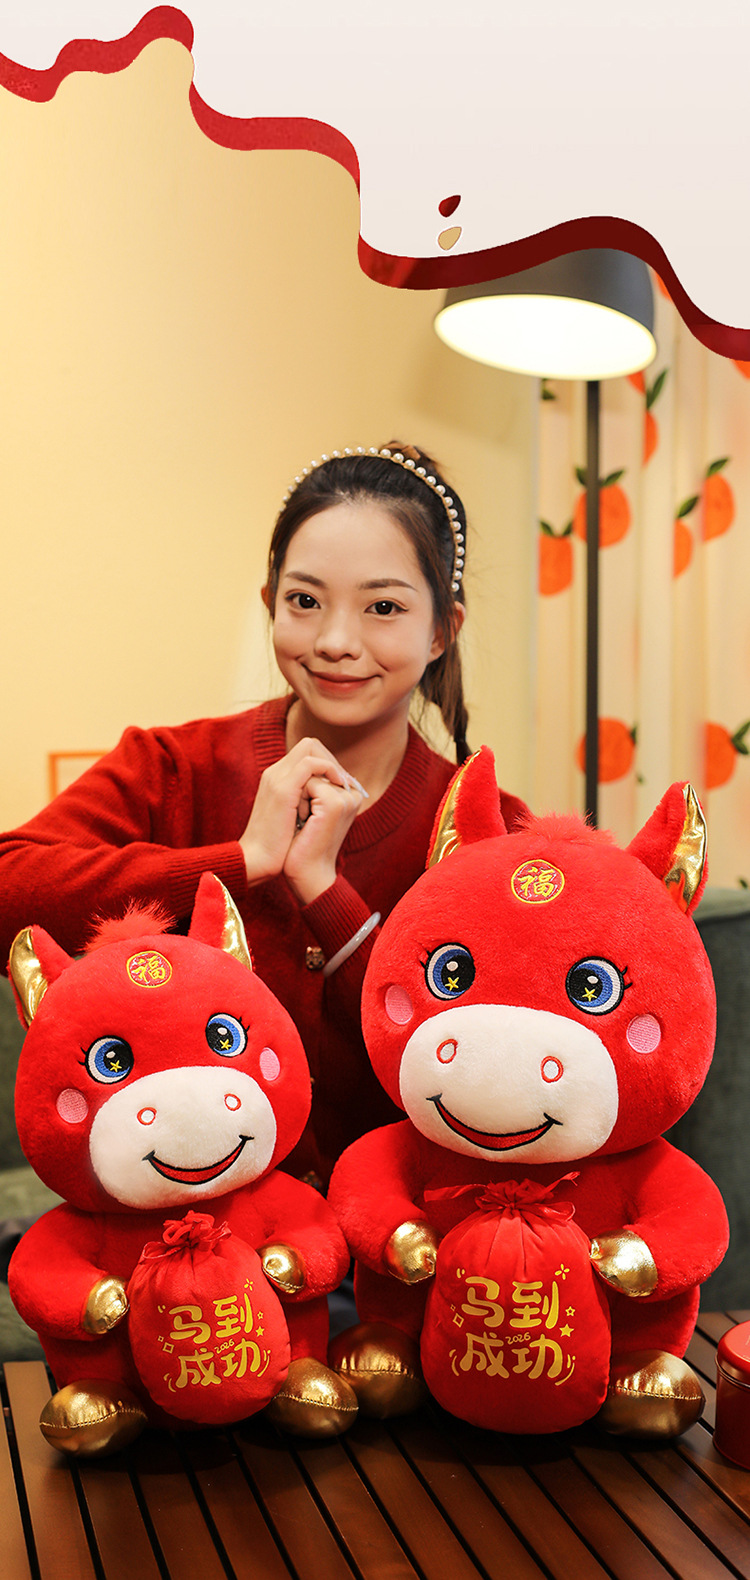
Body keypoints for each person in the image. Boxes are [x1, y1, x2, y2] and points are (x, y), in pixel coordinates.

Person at [0, 443, 526, 1185]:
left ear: (442, 629)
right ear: (269, 602)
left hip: (402, 1230)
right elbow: (11, 890)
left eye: (383, 608)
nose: (335, 642)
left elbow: (497, 1068)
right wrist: (240, 863)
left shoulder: (484, 827)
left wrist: (327, 896)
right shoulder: (173, 767)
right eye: (304, 601)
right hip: (191, 1224)